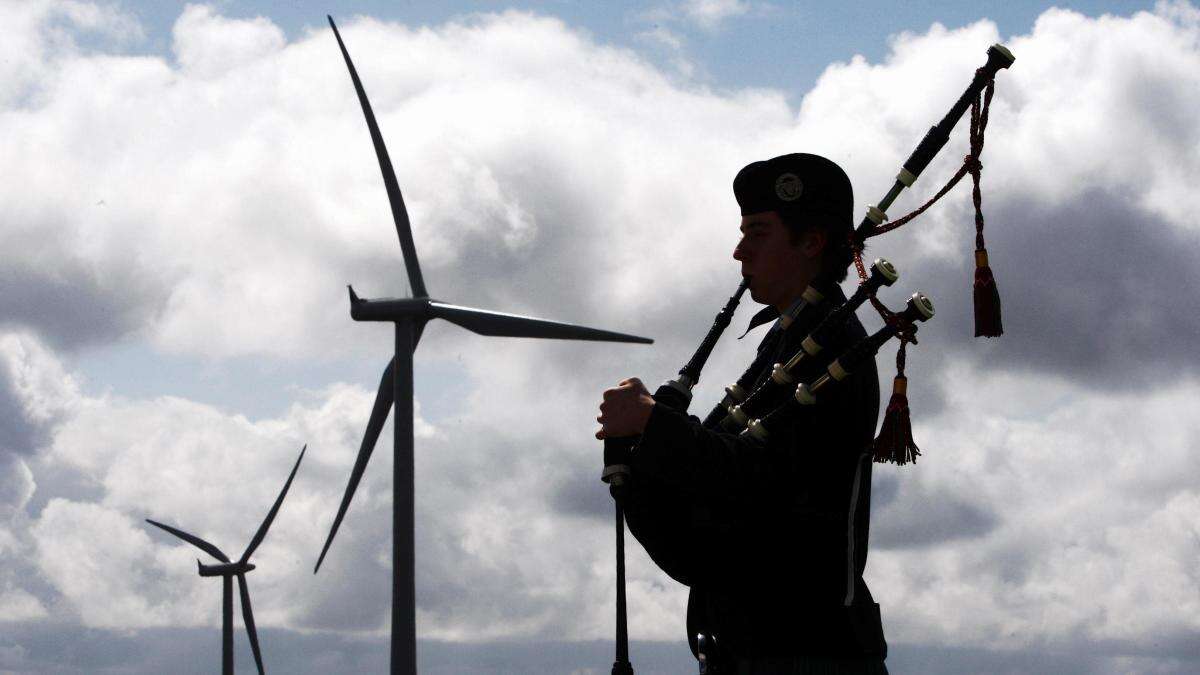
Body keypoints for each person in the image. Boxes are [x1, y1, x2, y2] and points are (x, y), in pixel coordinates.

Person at [596, 153, 888, 674]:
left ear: (811, 244)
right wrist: (643, 445)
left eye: (757, 233)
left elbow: (755, 476)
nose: (738, 252)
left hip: (808, 653)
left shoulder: (835, 347)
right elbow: (711, 488)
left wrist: (652, 424)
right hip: (755, 649)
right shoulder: (786, 339)